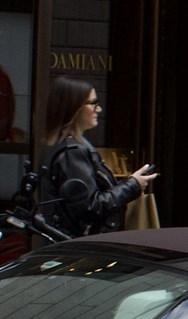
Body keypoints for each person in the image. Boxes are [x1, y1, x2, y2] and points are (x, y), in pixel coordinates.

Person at [38, 77, 157, 237]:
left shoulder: (64, 146)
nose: (98, 109)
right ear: (75, 107)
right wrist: (133, 185)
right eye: (93, 103)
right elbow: (91, 206)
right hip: (85, 249)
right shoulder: (73, 152)